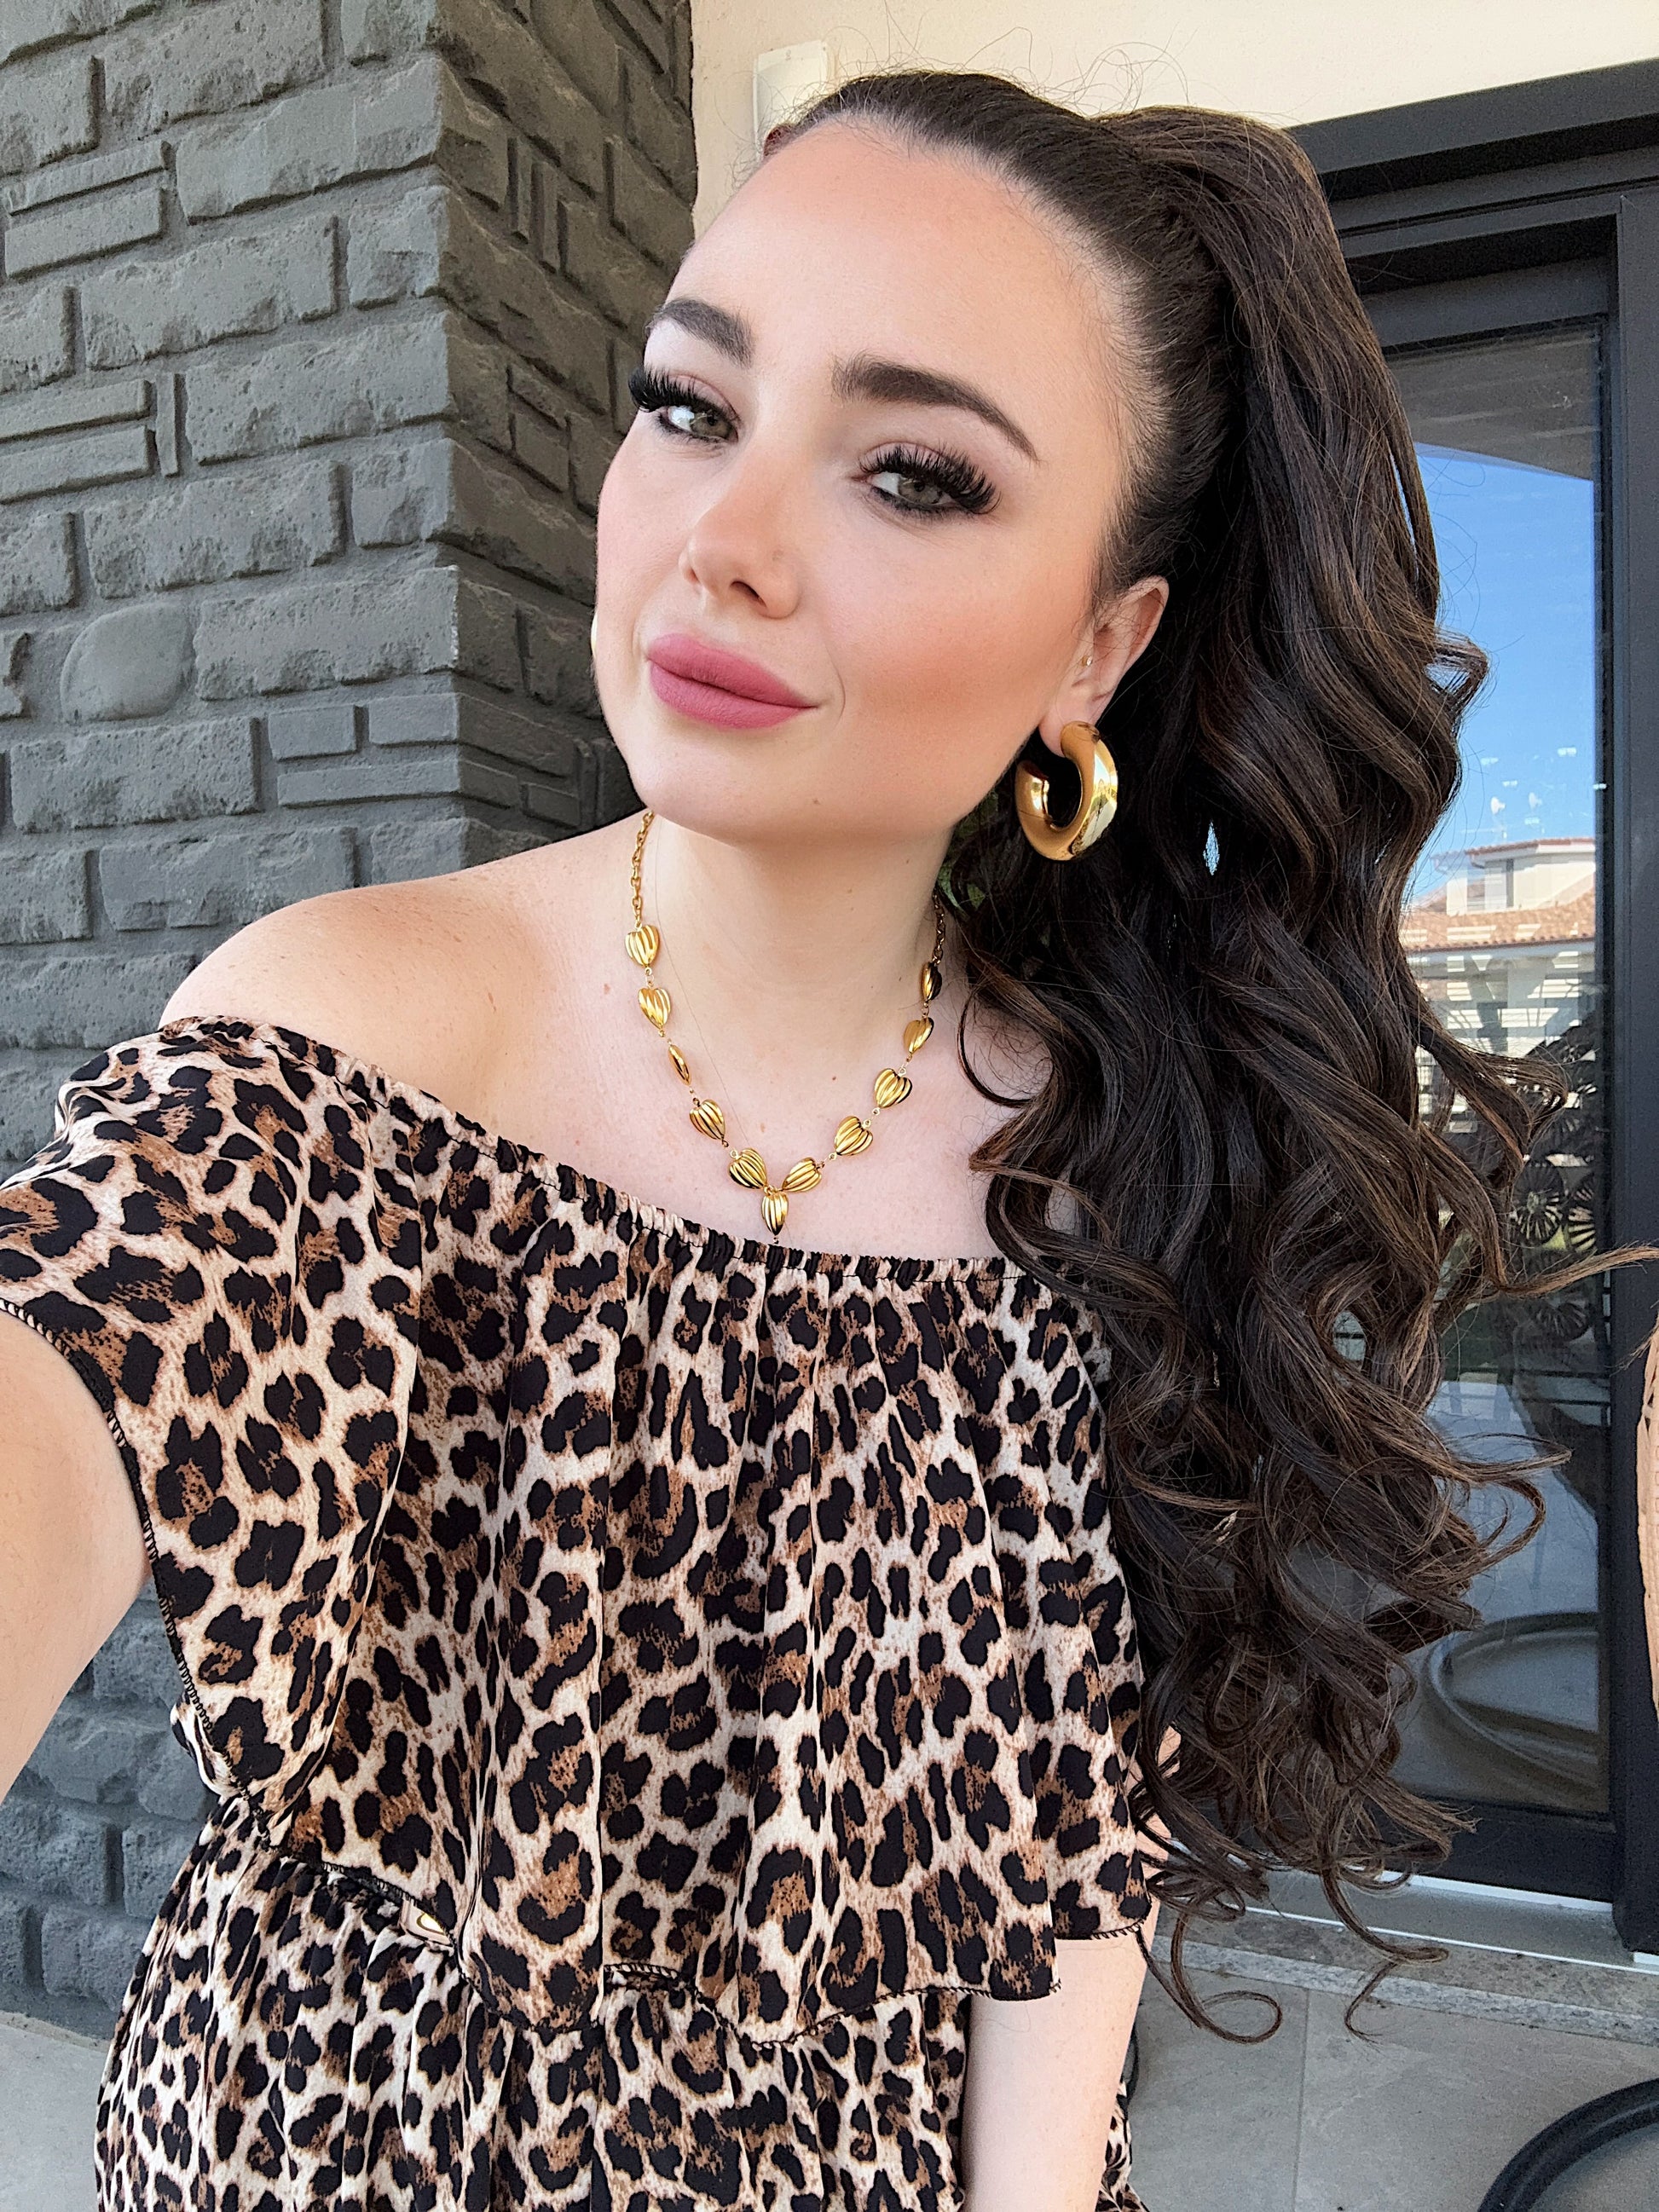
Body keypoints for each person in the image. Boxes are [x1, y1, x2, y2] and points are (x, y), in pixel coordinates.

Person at [0, 64, 1581, 2212]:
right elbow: (80, 1339)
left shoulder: (1109, 1153)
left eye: (914, 472)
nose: (721, 545)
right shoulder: (350, 1035)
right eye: (689, 403)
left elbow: (1066, 1845)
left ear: (1099, 644)